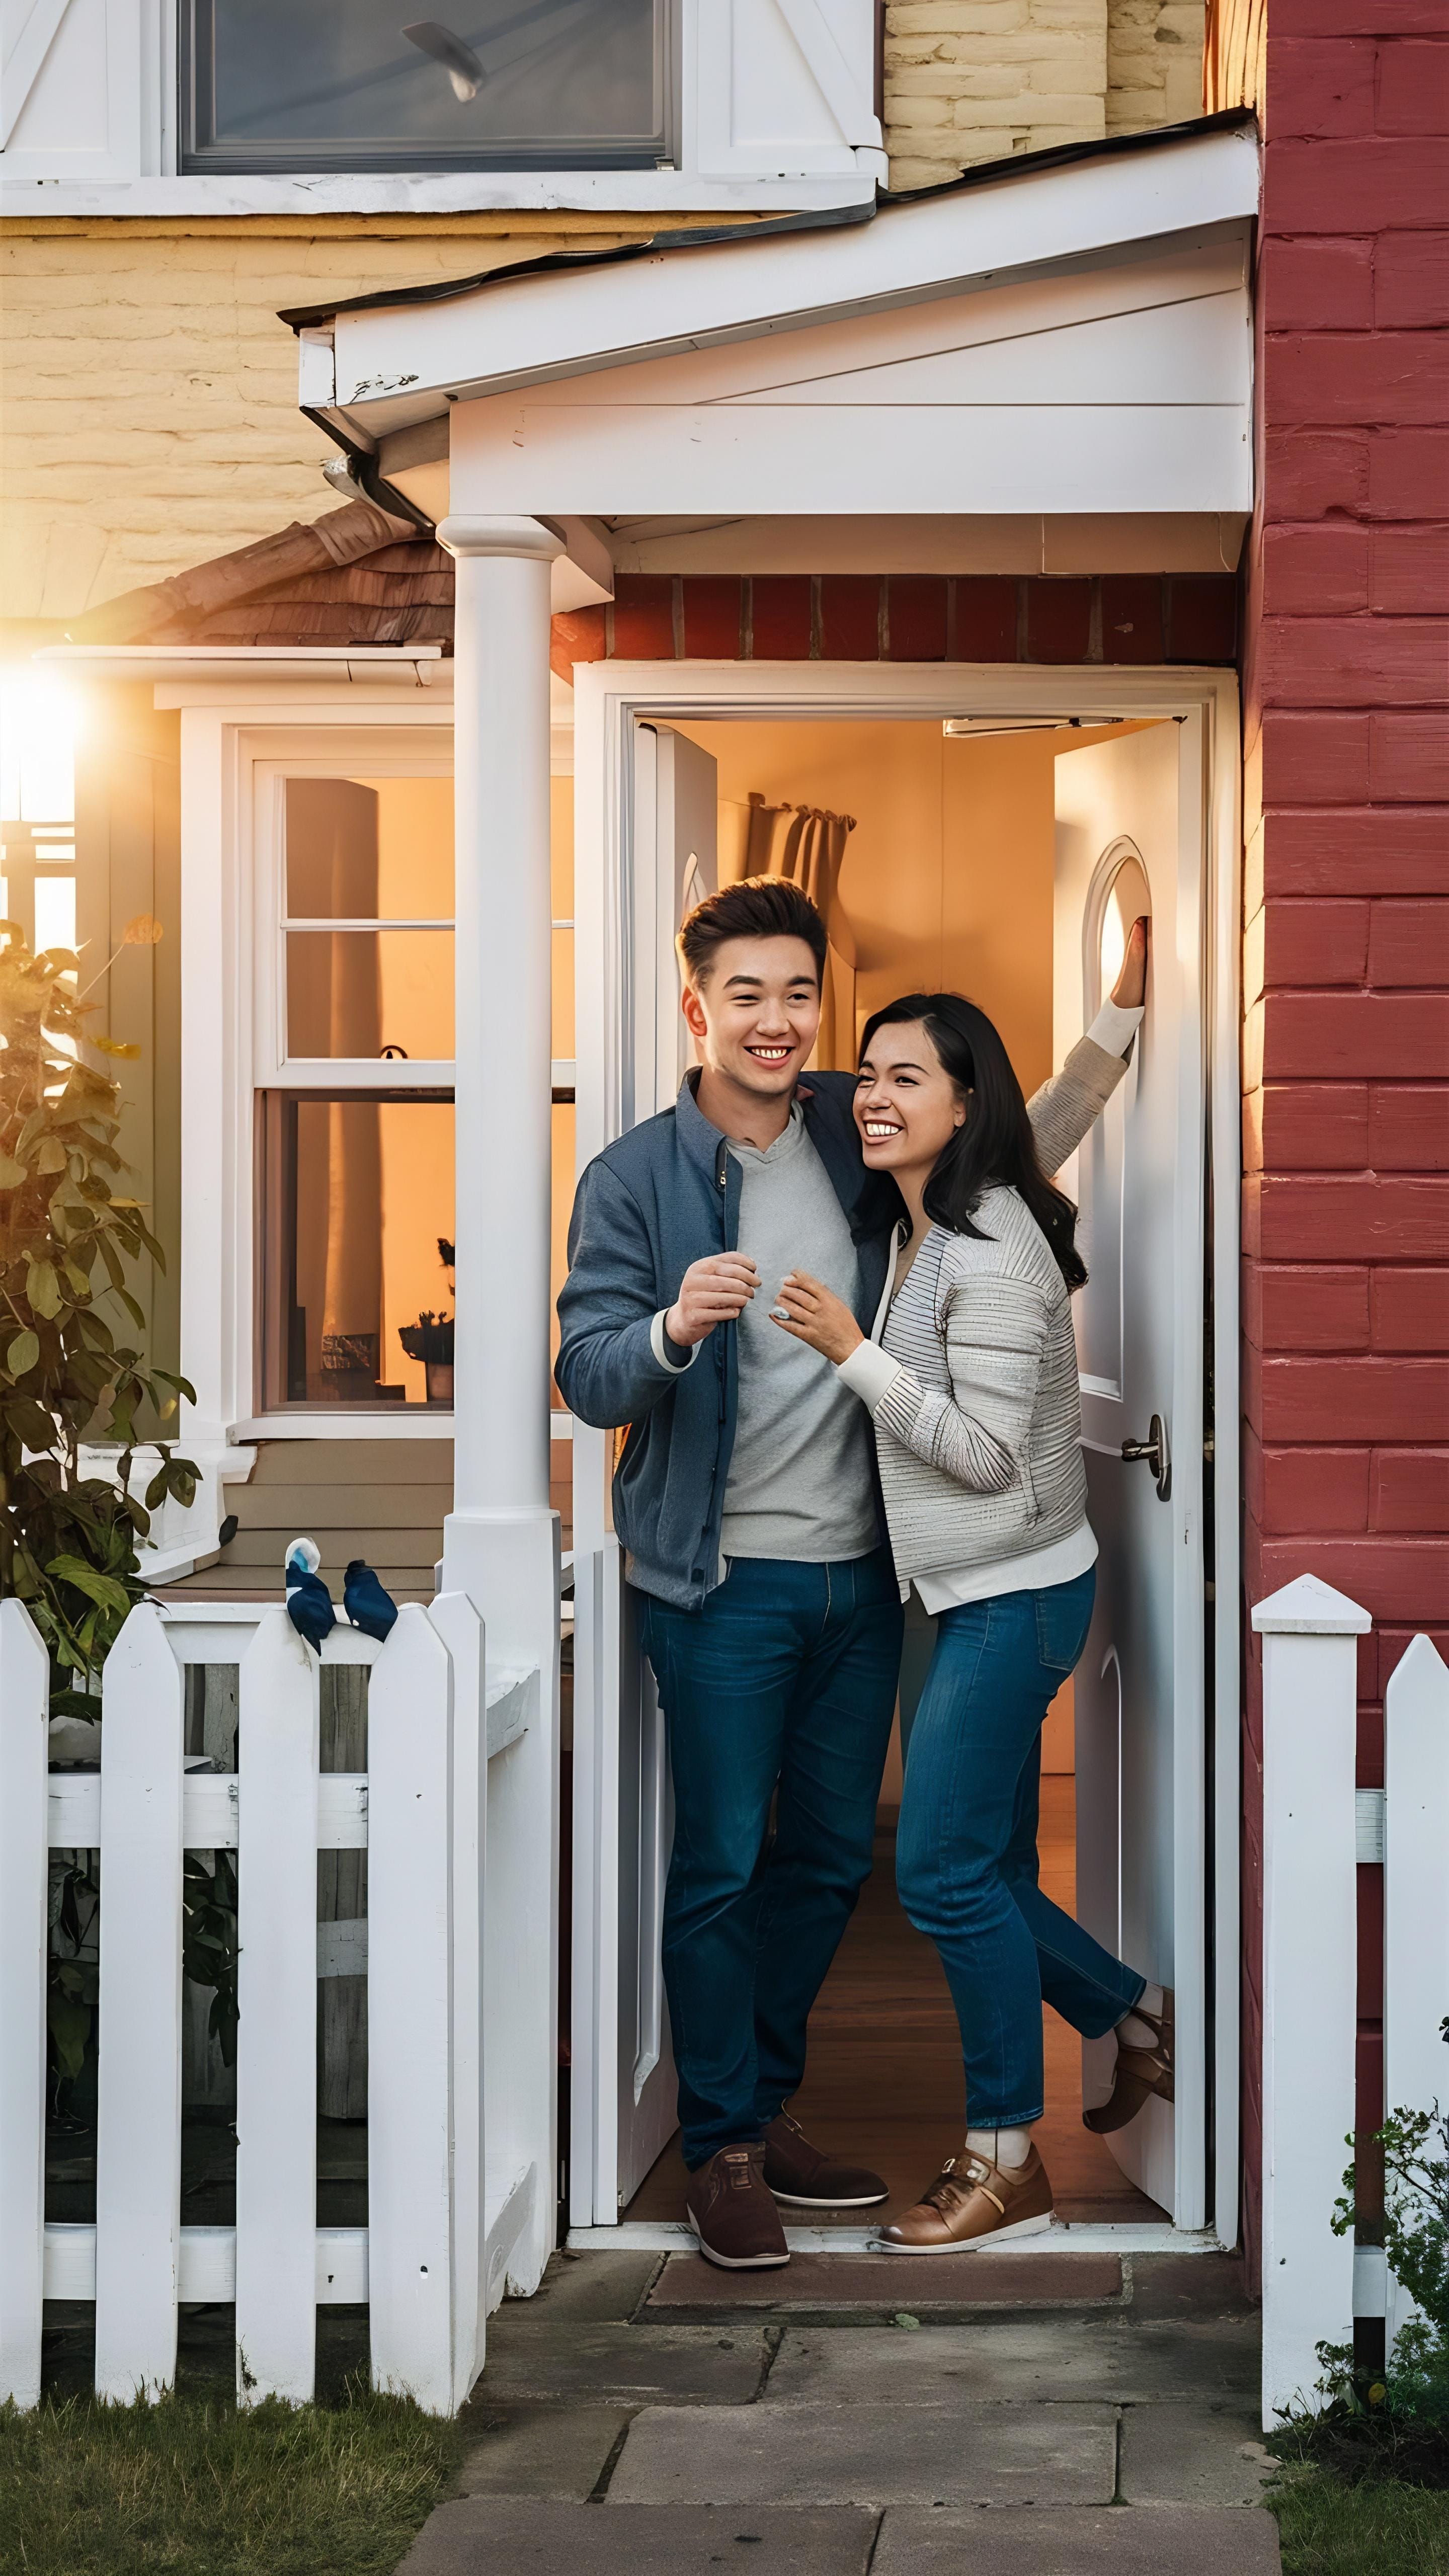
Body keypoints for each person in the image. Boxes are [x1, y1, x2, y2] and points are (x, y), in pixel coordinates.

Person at [556, 875, 1147, 2270]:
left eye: (798, 993)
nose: (777, 1021)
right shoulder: (634, 1177)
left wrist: (1117, 1023)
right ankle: (724, 2155)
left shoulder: (849, 1123)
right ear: (697, 1009)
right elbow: (587, 1375)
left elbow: (1008, 1146)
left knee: (831, 1863)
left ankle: (765, 2105)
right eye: (746, 995)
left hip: (865, 1581)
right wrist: (668, 1335)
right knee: (719, 1870)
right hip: (719, 1588)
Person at [773, 987, 1171, 2253]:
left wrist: (851, 1349)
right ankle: (1130, 2012)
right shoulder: (949, 1194)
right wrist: (1110, 1031)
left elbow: (989, 1456)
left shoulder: (989, 1248)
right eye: (867, 1072)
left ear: (961, 1107)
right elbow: (1043, 1122)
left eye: (908, 1079)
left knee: (943, 1875)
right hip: (964, 1591)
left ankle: (1007, 2156)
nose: (872, 1097)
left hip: (1009, 1594)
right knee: (984, 1866)